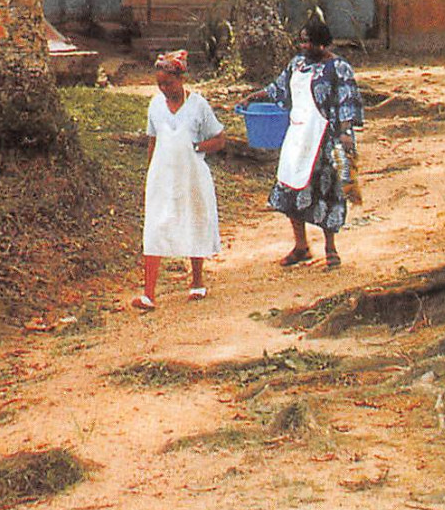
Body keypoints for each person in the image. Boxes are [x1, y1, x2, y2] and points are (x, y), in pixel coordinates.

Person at [242, 16, 364, 270]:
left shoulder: (338, 68)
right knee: (290, 188)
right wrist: (253, 97)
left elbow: (347, 102)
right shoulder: (297, 64)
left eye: (308, 43)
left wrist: (344, 133)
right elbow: (279, 88)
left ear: (323, 44)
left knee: (327, 191)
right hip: (298, 138)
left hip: (325, 140)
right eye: (302, 42)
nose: (303, 47)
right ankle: (301, 246)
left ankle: (330, 248)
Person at [135, 49, 227, 311]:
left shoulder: (198, 106)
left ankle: (197, 281)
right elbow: (153, 141)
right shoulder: (155, 106)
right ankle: (148, 293)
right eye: (160, 84)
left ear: (181, 78)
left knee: (194, 220)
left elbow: (219, 139)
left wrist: (197, 148)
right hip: (163, 177)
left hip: (192, 177)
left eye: (169, 83)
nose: (164, 88)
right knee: (155, 227)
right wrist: (151, 172)